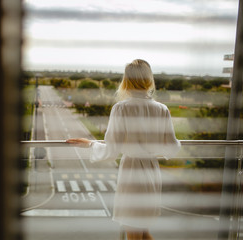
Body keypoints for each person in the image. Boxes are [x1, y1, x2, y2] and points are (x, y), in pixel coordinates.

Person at [66, 59, 181, 240]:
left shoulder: (121, 108)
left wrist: (90, 144)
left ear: (126, 80)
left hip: (132, 173)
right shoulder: (162, 109)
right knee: (143, 231)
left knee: (134, 232)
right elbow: (172, 148)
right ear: (149, 79)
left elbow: (112, 150)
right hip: (152, 171)